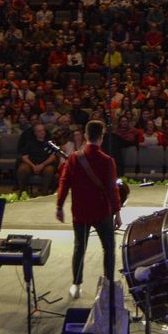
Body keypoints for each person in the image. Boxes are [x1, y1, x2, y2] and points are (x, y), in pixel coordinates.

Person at [55, 120, 122, 299]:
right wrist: (117, 212)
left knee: (79, 248)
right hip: (102, 212)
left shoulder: (74, 158)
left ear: (85, 135)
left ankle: (76, 286)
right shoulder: (107, 161)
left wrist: (59, 206)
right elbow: (112, 189)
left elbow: (64, 182)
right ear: (101, 137)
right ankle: (108, 284)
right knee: (108, 248)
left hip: (81, 212)